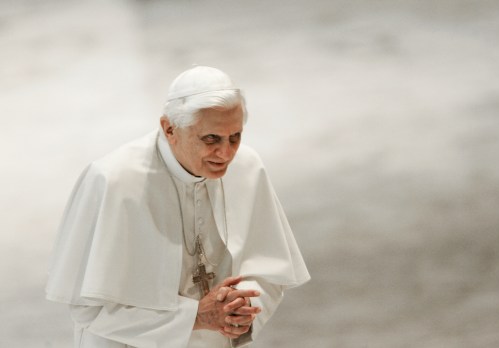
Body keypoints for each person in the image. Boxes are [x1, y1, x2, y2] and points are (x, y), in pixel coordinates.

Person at [46, 66, 310, 348]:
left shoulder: (246, 167)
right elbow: (89, 309)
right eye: (211, 139)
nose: (226, 153)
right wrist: (195, 317)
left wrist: (241, 307)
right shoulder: (112, 180)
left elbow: (268, 271)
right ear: (169, 129)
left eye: (235, 137)